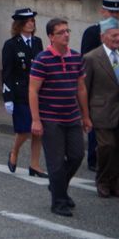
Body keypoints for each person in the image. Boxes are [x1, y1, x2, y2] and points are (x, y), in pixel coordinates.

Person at [30, 18, 91, 216]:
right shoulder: (42, 59)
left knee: (77, 156)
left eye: (67, 31)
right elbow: (33, 90)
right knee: (55, 162)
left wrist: (86, 116)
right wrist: (36, 120)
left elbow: (81, 88)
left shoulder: (76, 57)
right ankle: (59, 202)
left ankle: (58, 187)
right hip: (51, 118)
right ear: (51, 37)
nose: (66, 35)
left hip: (72, 116)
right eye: (61, 32)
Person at [2, 8, 47, 177]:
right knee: (25, 130)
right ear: (20, 24)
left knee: (38, 130)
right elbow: (7, 72)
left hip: (37, 93)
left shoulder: (37, 42)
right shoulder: (11, 45)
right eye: (28, 21)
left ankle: (34, 164)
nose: (31, 23)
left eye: (33, 21)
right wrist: (8, 98)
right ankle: (14, 151)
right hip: (20, 93)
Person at [81, 0, 119, 172]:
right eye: (111, 11)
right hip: (99, 92)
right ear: (102, 11)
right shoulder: (93, 33)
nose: (114, 15)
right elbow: (86, 68)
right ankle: (94, 161)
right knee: (100, 137)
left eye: (117, 12)